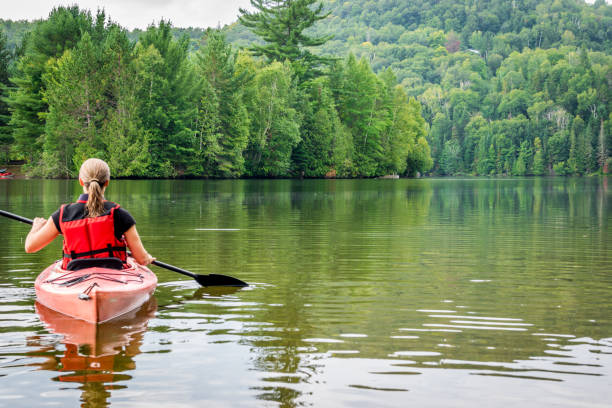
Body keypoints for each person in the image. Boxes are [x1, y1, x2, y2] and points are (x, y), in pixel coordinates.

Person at [25, 158, 155, 268]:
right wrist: (147, 258)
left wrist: (36, 227)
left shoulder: (62, 215)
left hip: (74, 275)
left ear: (81, 181)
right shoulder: (120, 214)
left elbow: (30, 247)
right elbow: (141, 260)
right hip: (114, 274)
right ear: (107, 182)